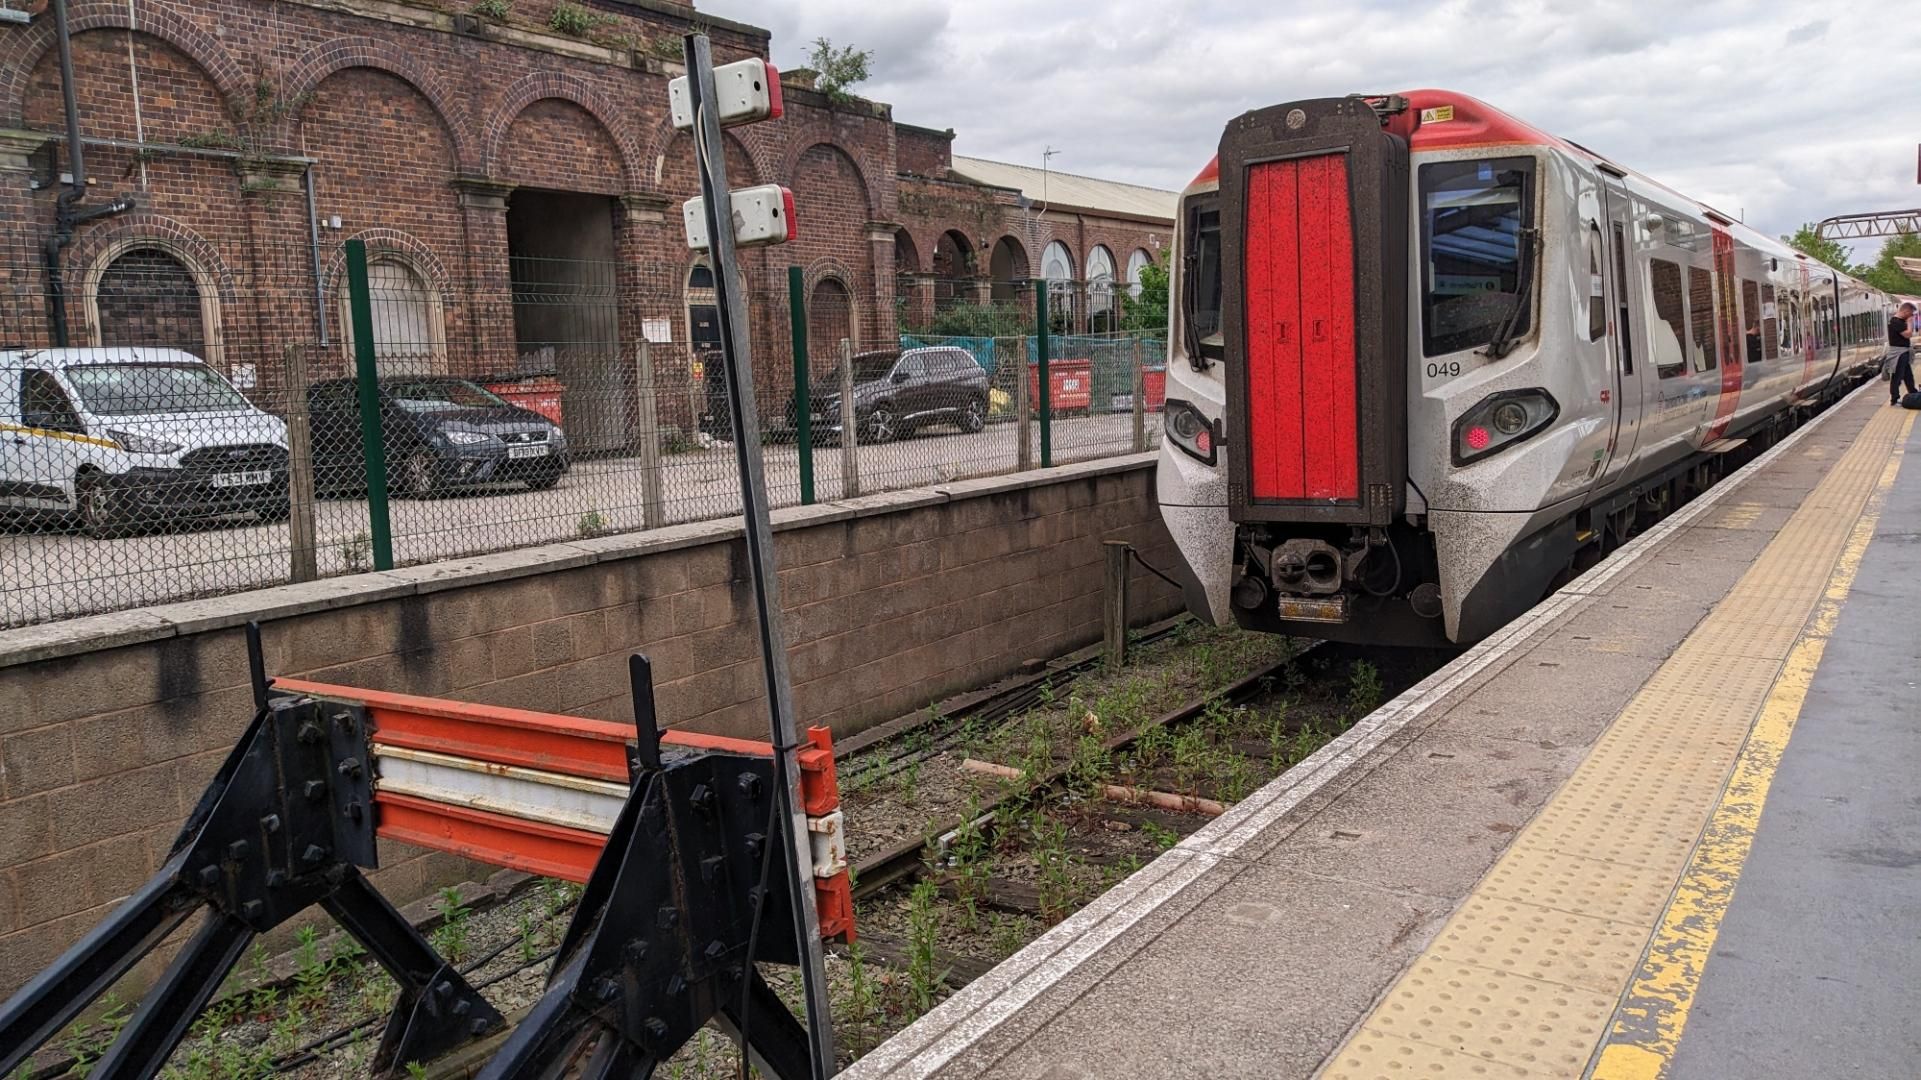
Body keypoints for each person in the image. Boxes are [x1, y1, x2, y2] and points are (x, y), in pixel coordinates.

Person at [1890, 302, 1917, 406]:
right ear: (1905, 310)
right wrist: (1910, 323)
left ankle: (1913, 394)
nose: (1911, 316)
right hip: (1899, 353)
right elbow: (1908, 334)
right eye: (1910, 313)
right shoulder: (1895, 321)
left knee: (1908, 376)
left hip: (1904, 352)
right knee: (1897, 376)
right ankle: (1894, 399)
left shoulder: (1901, 321)